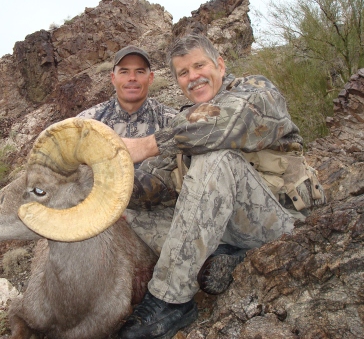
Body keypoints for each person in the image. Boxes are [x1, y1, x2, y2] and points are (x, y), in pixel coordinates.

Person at [117, 34, 325, 339]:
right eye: (184, 73)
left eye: (199, 65)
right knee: (128, 208)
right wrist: (106, 179)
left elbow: (223, 124)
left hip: (278, 222)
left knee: (215, 156)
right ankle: (223, 258)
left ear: (220, 65)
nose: (194, 77)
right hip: (226, 226)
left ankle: (169, 301)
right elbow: (155, 183)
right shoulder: (184, 121)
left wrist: (146, 144)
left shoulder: (257, 91)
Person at [77, 45, 180, 208]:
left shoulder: (172, 121)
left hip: (158, 217)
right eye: (124, 72)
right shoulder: (87, 123)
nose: (132, 78)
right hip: (101, 214)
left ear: (151, 78)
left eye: (140, 71)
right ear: (113, 78)